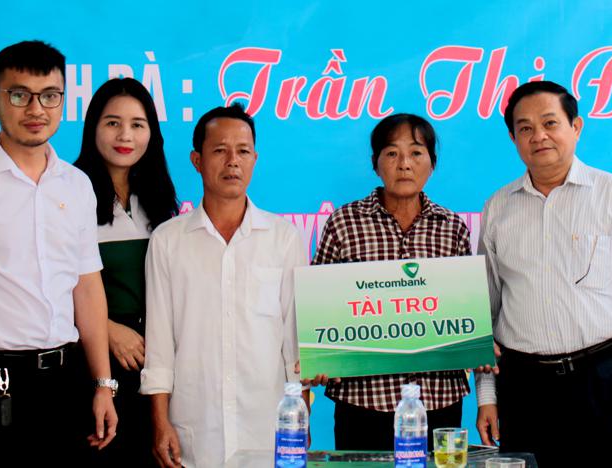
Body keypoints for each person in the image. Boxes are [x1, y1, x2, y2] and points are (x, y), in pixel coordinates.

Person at [475, 81, 612, 468]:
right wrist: (487, 396)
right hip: (523, 386)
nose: (539, 136)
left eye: (550, 123)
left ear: (576, 126)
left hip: (602, 380)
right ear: (513, 138)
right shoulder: (497, 208)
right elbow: (485, 315)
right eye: (525, 128)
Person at [0, 41, 117, 467]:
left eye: (50, 96)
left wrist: (103, 384)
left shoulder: (77, 185)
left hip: (66, 382)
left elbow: (87, 288)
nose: (36, 109)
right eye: (20, 95)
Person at [140, 103, 307, 467]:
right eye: (220, 150)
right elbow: (160, 343)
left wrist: (300, 420)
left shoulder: (283, 238)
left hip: (266, 432)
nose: (233, 161)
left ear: (255, 159)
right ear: (197, 160)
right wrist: (159, 421)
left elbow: (295, 342)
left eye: (243, 151)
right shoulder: (168, 240)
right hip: (194, 435)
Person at [312, 113, 472, 451]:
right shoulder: (344, 224)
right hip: (363, 401)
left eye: (416, 152)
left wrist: (475, 345)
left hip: (438, 399)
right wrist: (321, 356)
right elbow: (319, 310)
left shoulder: (452, 227)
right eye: (392, 153)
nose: (404, 164)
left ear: (432, 163)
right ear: (376, 163)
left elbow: (465, 311)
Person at [74, 78, 178, 467]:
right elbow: (46, 284)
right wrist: (107, 329)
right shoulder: (68, 192)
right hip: (92, 362)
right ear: (93, 129)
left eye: (137, 124)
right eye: (113, 123)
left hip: (153, 364)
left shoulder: (158, 198)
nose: (125, 136)